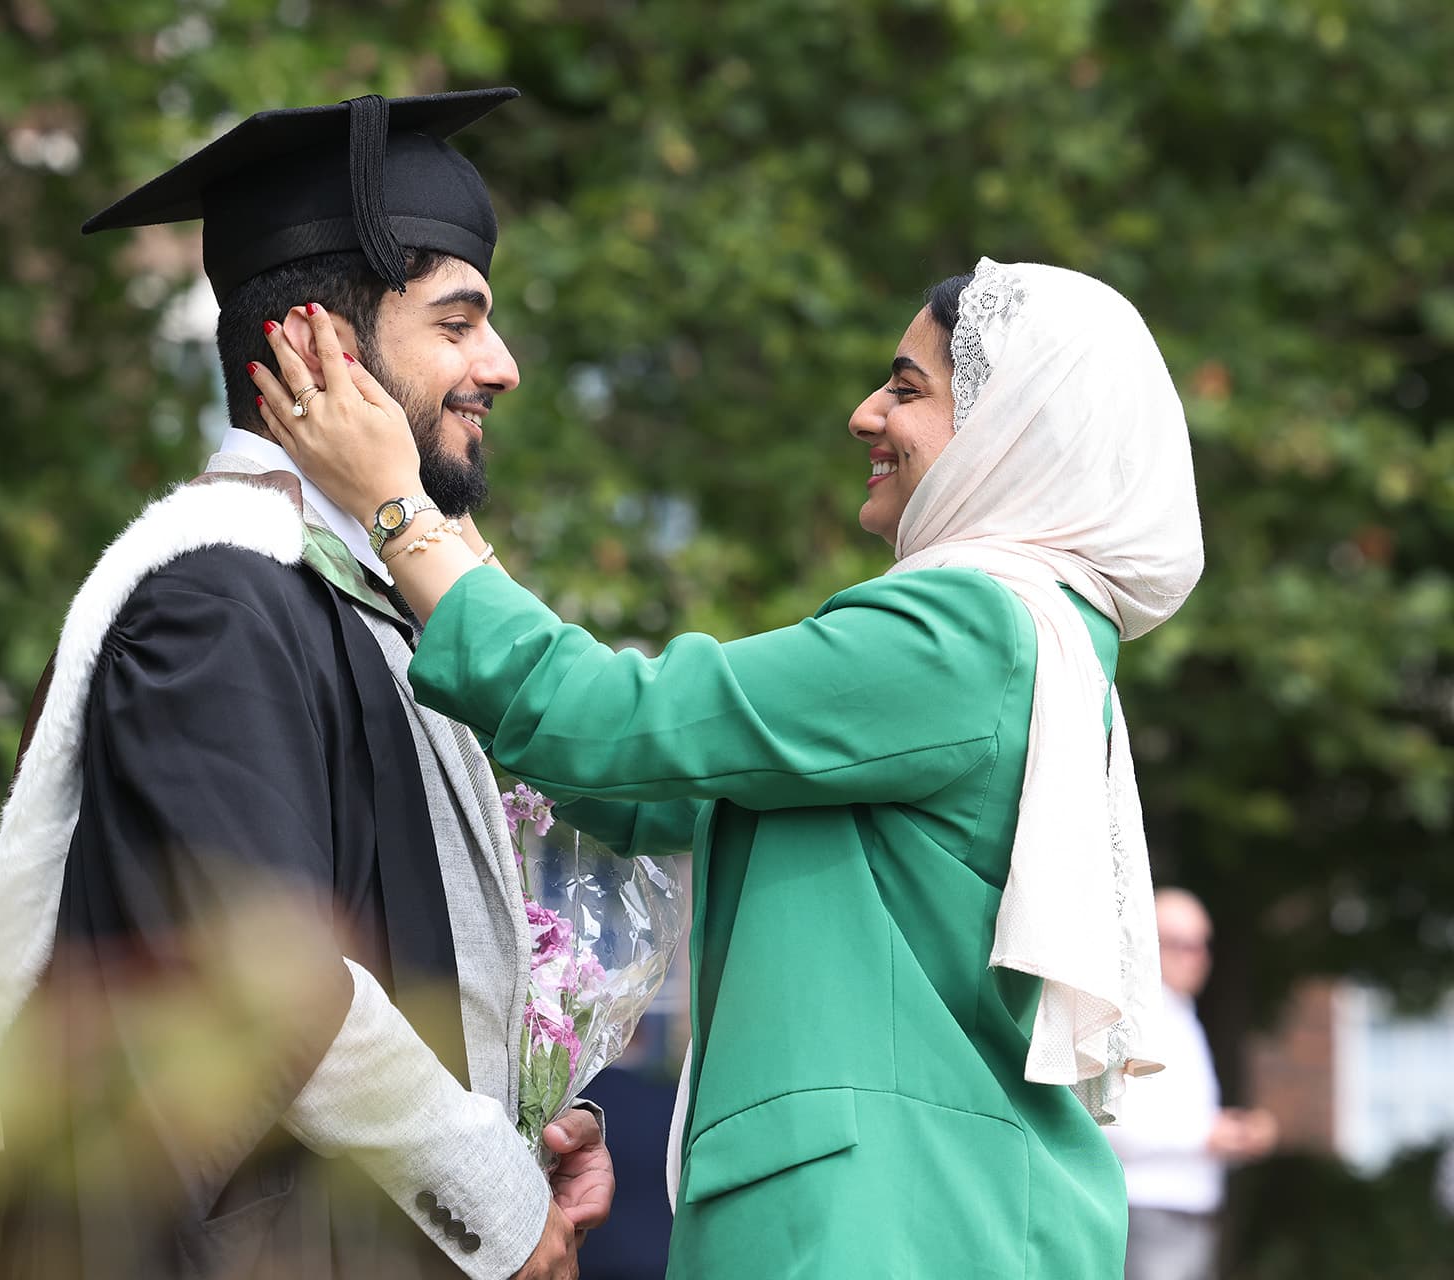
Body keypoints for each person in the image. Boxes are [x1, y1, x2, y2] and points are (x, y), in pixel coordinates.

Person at [251, 257, 1206, 1276]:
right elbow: (645, 778)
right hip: (940, 1210)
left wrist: (399, 508)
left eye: (908, 386)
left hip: (891, 1225)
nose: (864, 412)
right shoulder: (1032, 644)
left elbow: (617, 721)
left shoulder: (964, 630)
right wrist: (452, 536)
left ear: (1018, 434)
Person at [0, 89, 612, 1280]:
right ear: (319, 342)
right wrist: (497, 1205)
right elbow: (271, 986)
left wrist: (530, 1126)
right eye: (458, 322)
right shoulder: (214, 600)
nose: (501, 366)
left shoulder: (361, 601)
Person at [1107, 888, 1278, 1280]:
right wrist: (1207, 1135)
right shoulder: (1133, 1018)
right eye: (1181, 944)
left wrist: (1232, 1133)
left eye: (1202, 945)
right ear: (1148, 942)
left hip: (1189, 1213)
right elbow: (1111, 1121)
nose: (1197, 958)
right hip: (1149, 1209)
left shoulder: (1182, 1015)